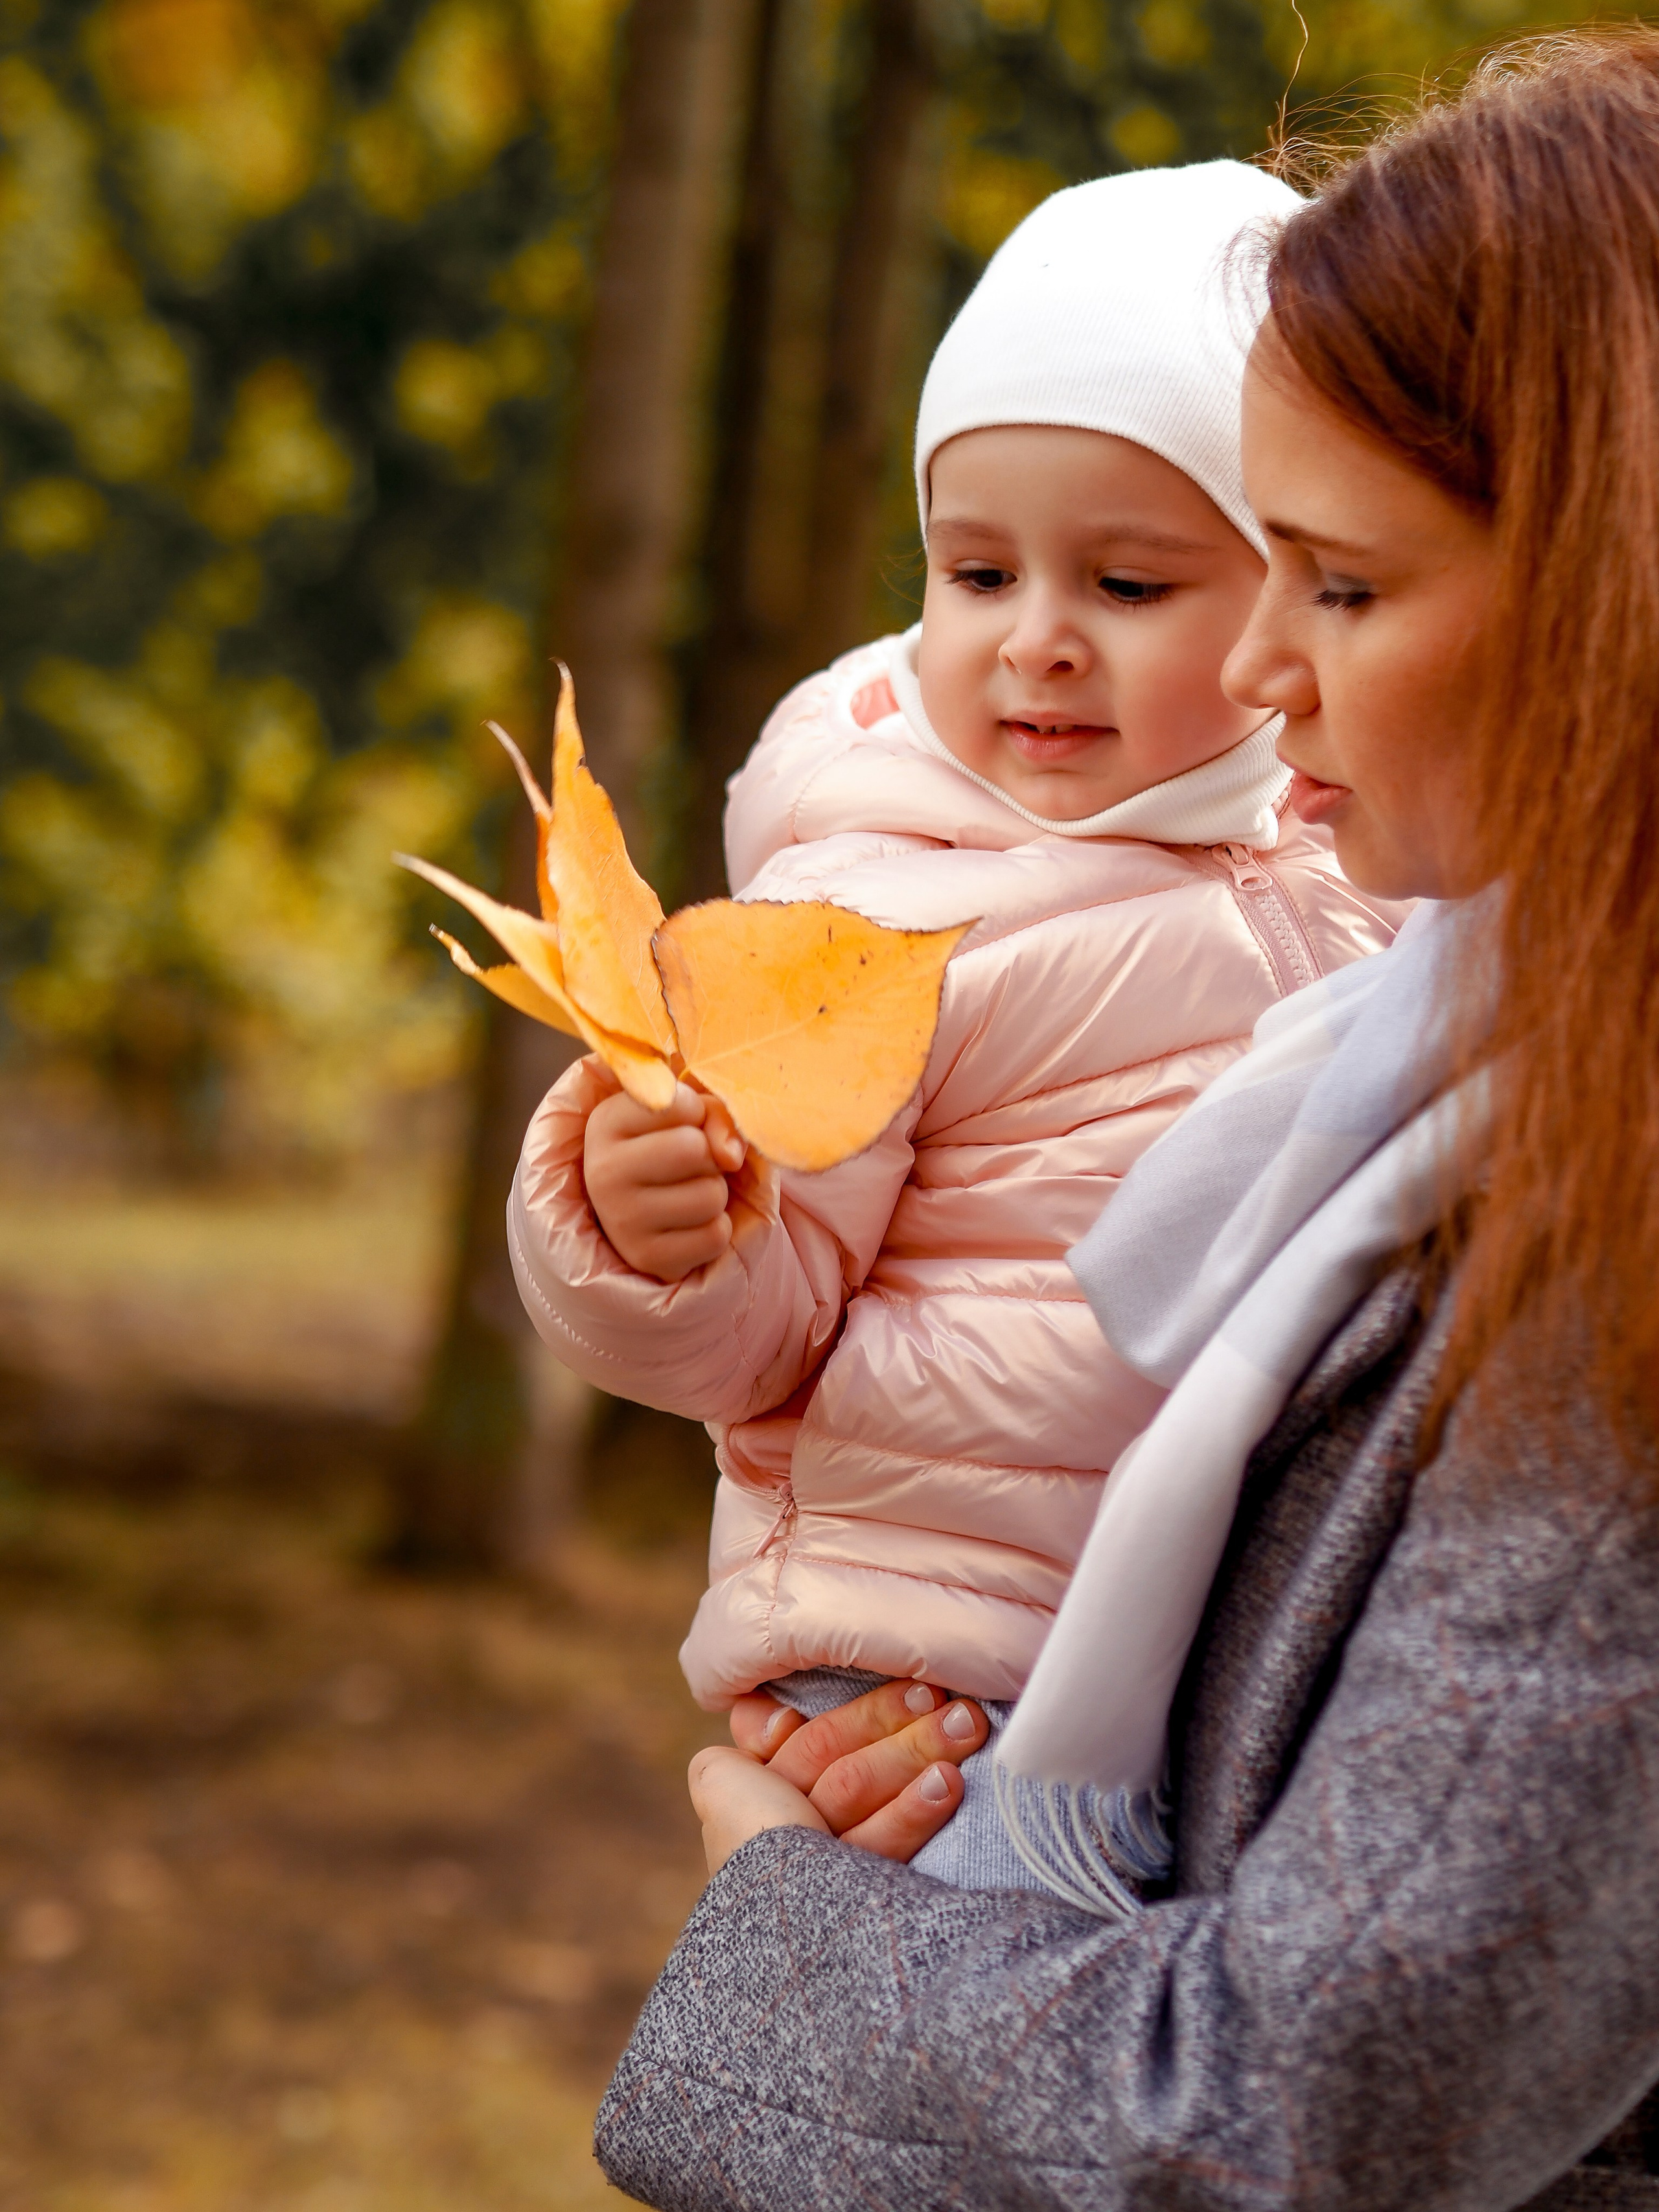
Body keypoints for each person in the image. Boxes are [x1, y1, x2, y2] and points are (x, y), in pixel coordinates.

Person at [594, 32, 1659, 2208]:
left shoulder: (1600, 1238)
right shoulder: (1432, 1068)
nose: (1265, 671)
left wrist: (791, 1907)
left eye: (1340, 584)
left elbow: (1305, 2104)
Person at [509, 163, 1402, 1890]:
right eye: (976, 573)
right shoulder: (876, 913)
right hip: (937, 1685)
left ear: (1297, 587)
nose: (1037, 644)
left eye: (1129, 587)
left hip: (1214, 1671)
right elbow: (750, 1348)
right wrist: (653, 1230)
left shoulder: (1362, 860)